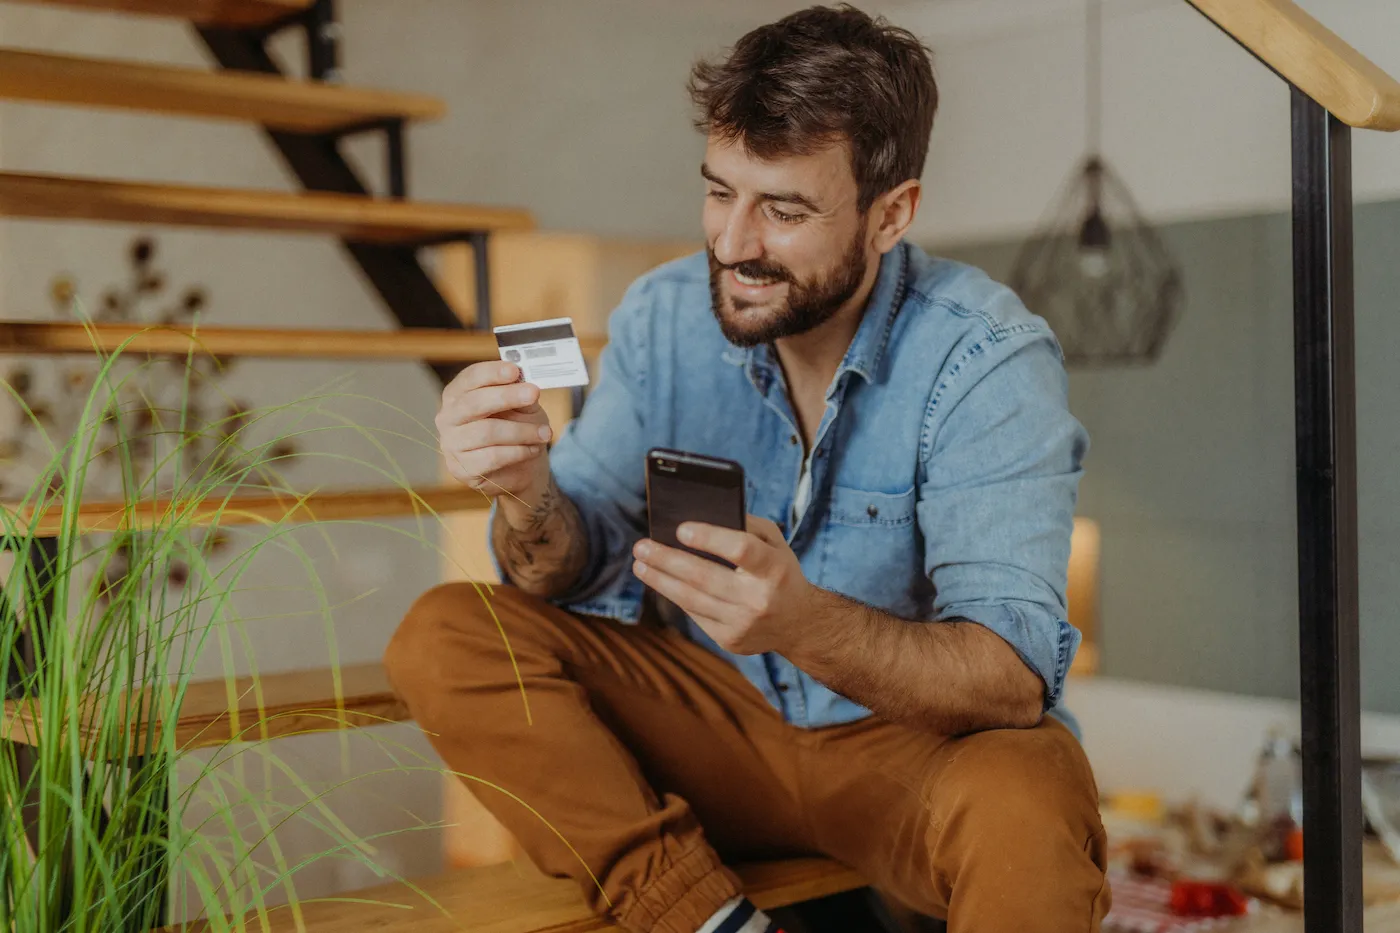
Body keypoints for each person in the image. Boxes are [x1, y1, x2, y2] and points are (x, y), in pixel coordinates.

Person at [385, 6, 1109, 932]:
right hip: (710, 722)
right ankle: (706, 920)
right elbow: (571, 568)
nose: (732, 242)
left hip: (905, 748)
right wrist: (528, 495)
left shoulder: (987, 357)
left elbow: (1008, 676)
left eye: (785, 208)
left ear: (892, 213)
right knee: (448, 632)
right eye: (720, 192)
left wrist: (803, 623)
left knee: (1037, 784)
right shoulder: (662, 316)